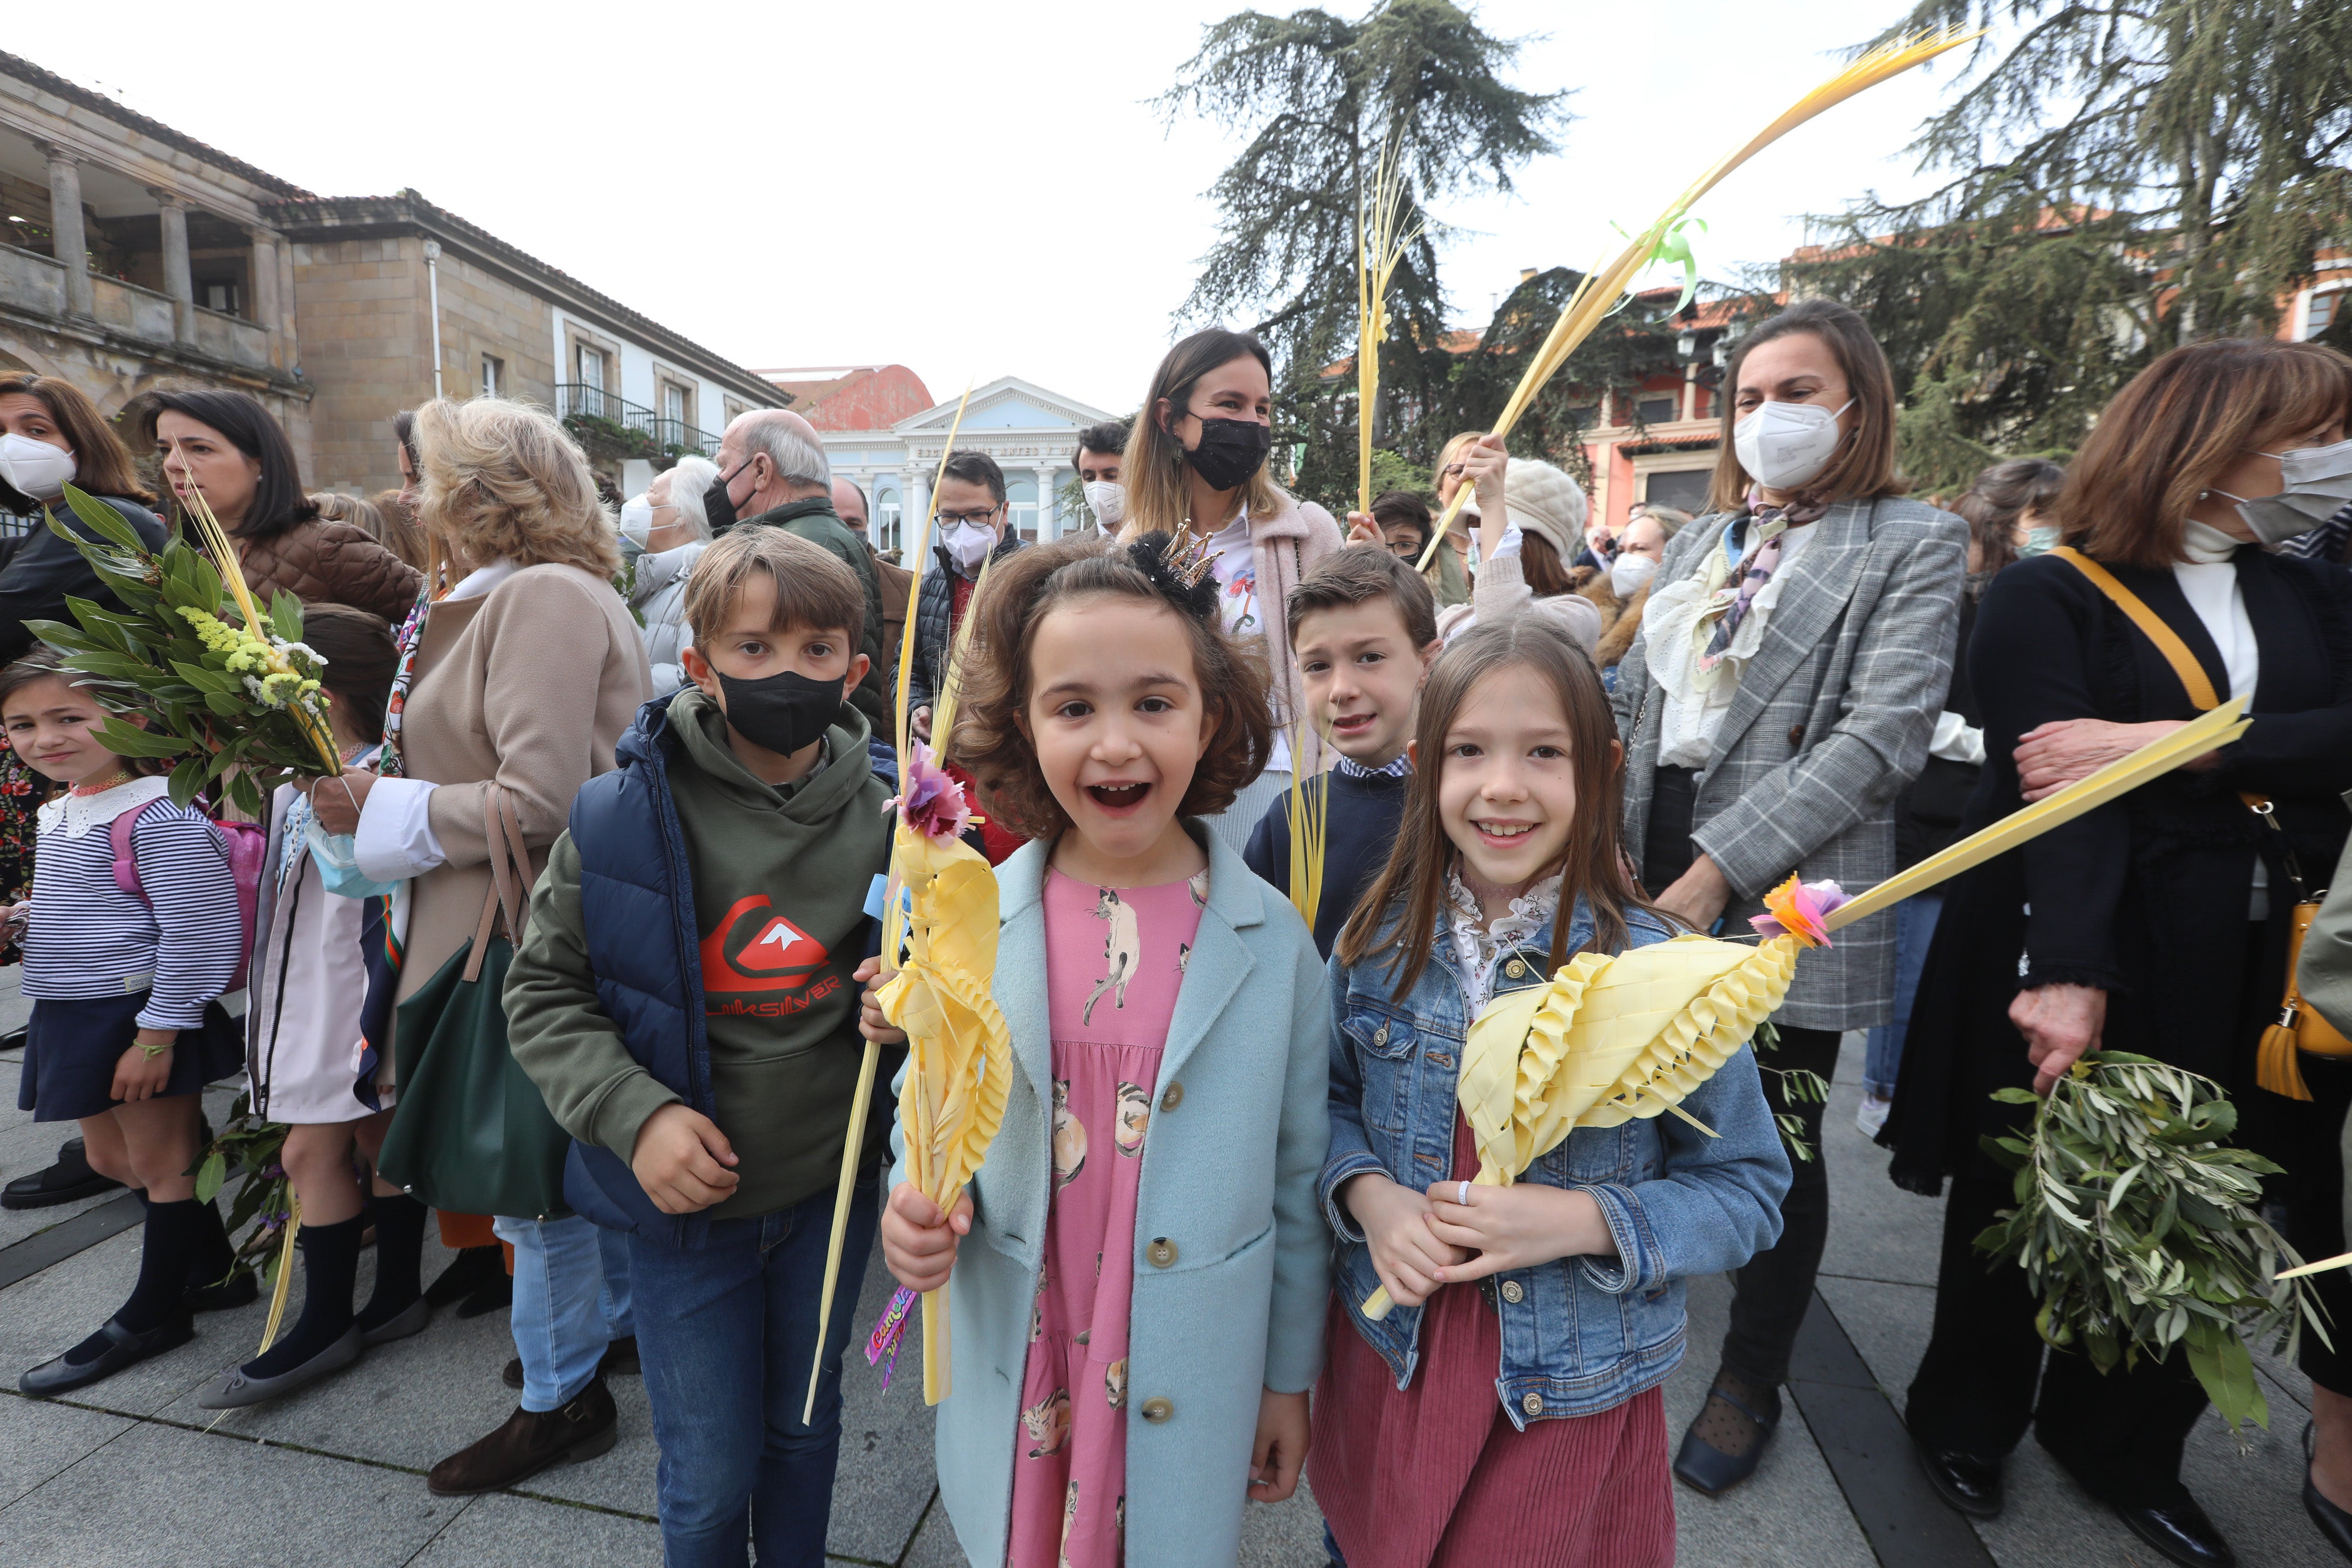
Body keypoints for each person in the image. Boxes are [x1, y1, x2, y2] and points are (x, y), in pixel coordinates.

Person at [1886, 337, 2352, 1568]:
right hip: (2081, 927)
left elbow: (2335, 735)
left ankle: (2123, 1443)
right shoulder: (2050, 594)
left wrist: (2189, 746)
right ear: (2205, 443)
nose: (2326, 461)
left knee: (2197, 1198)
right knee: (2027, 1182)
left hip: (2258, 951)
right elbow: (2056, 793)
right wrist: (2067, 973)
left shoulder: (2298, 586)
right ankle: (1967, 1414)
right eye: (2306, 434)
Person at [874, 533, 1330, 1568]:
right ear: (1022, 727)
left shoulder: (1275, 944)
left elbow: (1301, 1181)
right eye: (1074, 707)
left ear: (1209, 717)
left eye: (1153, 703)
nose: (1116, 743)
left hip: (1190, 1362)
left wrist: (1286, 1381)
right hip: (1029, 1353)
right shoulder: (971, 919)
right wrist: (913, 1209)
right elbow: (926, 1103)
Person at [1309, 617, 1790, 1566]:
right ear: (1422, 764)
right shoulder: (1374, 945)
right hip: (1393, 1365)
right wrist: (1370, 1197)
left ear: (1603, 768)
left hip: (1562, 1393)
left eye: (1543, 752)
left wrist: (1580, 1221)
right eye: (1469, 752)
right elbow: (1321, 1107)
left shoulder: (1661, 976)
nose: (1502, 786)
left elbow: (1748, 1190)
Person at [1609, 297, 1966, 1496]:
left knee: (1778, 1119)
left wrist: (1716, 870)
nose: (1767, 417)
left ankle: (1750, 1370)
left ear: (1856, 404)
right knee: (1644, 1086)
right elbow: (1643, 708)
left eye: (1797, 392)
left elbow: (1881, 735)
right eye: (1749, 397)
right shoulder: (1712, 540)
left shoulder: (1909, 538)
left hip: (1788, 882)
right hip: (1647, 850)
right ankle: (1645, 1278)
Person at [507, 527, 893, 1566]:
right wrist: (636, 1117)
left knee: (806, 1426)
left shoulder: (903, 820)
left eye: (818, 651)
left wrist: (919, 1006)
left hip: (829, 1188)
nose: (786, 673)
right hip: (687, 1211)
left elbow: (940, 979)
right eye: (754, 648)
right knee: (711, 1469)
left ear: (856, 670)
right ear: (701, 666)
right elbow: (544, 991)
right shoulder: (623, 814)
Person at [306, 396, 651, 1494]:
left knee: (532, 1181)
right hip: (509, 918)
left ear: (480, 490)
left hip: (530, 932)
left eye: (425, 474)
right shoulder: (513, 594)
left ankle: (561, 1401)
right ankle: (599, 1340)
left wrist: (379, 804)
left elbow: (540, 797)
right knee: (556, 1166)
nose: (410, 494)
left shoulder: (542, 596)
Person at [195, 607, 433, 1408]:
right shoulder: (301, 774)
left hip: (351, 995)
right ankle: (397, 1293)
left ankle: (328, 1318)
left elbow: (370, 886)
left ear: (315, 691)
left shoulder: (373, 774)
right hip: (313, 988)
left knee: (308, 1154)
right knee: (376, 1134)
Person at [6, 651, 249, 1395]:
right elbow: (100, 908)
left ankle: (153, 1313)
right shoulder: (67, 805)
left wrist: (157, 1034)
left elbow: (196, 929)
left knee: (164, 1162)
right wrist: (26, 921)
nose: (44, 738)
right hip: (72, 1010)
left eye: (67, 718)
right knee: (113, 1161)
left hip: (136, 1013)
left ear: (135, 720)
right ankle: (211, 1270)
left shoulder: (161, 813)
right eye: (22, 724)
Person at [0, 373, 168, 1215]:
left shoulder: (105, 519)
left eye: (34, 425)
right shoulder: (45, 525)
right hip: (76, 767)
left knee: (126, 947)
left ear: (81, 436)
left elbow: (11, 614)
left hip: (119, 763)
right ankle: (112, 1143)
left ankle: (158, 1172)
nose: (16, 443)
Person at [1853, 460, 2059, 1138]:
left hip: (2014, 814)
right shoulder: (1955, 604)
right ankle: (1886, 1092)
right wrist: (1991, 744)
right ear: (2001, 526)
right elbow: (1911, 710)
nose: (2054, 532)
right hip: (1940, 817)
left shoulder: (2056, 602)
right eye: (2041, 518)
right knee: (1911, 975)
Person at [1116, 328, 1344, 857]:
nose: (1250, 423)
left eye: (1262, 409)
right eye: (1230, 404)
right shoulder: (1130, 553)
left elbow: (1342, 666)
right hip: (1169, 796)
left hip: (1286, 790)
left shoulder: (1305, 535)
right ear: (1170, 419)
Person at [1243, 547, 1441, 955]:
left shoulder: (1464, 805)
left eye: (1370, 657)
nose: (1341, 689)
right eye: (1318, 666)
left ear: (1428, 662)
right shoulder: (1293, 820)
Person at [141, 389, 421, 624]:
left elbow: (440, 614)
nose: (173, 464)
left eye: (200, 448)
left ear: (260, 459)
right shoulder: (193, 563)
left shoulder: (325, 545)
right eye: (165, 450)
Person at [707, 409, 889, 730]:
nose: (719, 479)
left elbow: (806, 681)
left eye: (724, 465)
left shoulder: (807, 544)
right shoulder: (811, 534)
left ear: (761, 470)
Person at [907, 450, 1025, 740]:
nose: (963, 528)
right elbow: (909, 666)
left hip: (1017, 754)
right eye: (949, 517)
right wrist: (919, 705)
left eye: (976, 514)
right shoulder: (930, 585)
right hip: (950, 755)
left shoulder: (1035, 577)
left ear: (1004, 512)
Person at [1434, 459, 1605, 657]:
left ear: (1534, 543)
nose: (1476, 543)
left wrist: (1492, 504)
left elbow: (1503, 637)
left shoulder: (1577, 614)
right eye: (1474, 529)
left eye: (1492, 527)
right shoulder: (1456, 618)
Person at [621, 455, 718, 696]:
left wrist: (613, 682)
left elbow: (692, 680)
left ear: (682, 514)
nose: (640, 501)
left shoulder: (701, 582)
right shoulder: (659, 579)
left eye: (651, 492)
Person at [831, 477, 914, 694]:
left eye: (853, 524)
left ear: (867, 524)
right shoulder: (788, 589)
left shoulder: (912, 589)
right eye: (834, 522)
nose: (844, 533)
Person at [1426, 434, 1485, 607]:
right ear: (1440, 489)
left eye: (1481, 470)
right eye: (1459, 471)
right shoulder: (1417, 545)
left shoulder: (1519, 545)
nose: (1470, 481)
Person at [1073, 418, 1131, 537]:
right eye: (1089, 478)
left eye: (1111, 476)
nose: (1098, 485)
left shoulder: (1169, 546)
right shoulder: (1064, 552)